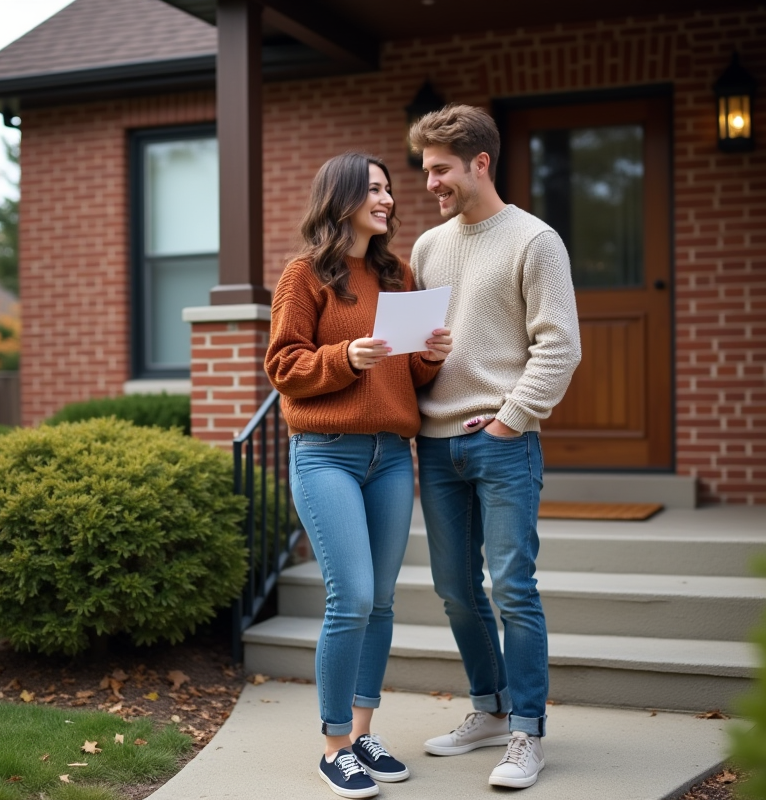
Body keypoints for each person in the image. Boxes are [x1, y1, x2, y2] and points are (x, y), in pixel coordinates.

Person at [265, 151, 453, 799]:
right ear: (340, 197)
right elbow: (283, 366)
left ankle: (364, 734)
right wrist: (345, 356)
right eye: (374, 188)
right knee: (350, 598)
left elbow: (408, 372)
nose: (388, 199)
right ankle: (334, 745)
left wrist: (430, 355)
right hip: (326, 454)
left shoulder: (398, 275)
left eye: (388, 189)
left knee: (381, 602)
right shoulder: (304, 275)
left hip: (392, 456)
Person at [407, 104, 582, 790]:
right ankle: (489, 708)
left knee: (512, 586)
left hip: (503, 443)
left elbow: (559, 347)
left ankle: (527, 733)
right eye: (426, 171)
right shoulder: (427, 248)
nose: (430, 184)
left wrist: (511, 419)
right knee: (455, 589)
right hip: (436, 446)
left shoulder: (535, 241)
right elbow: (417, 348)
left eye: (440, 170)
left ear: (480, 163)